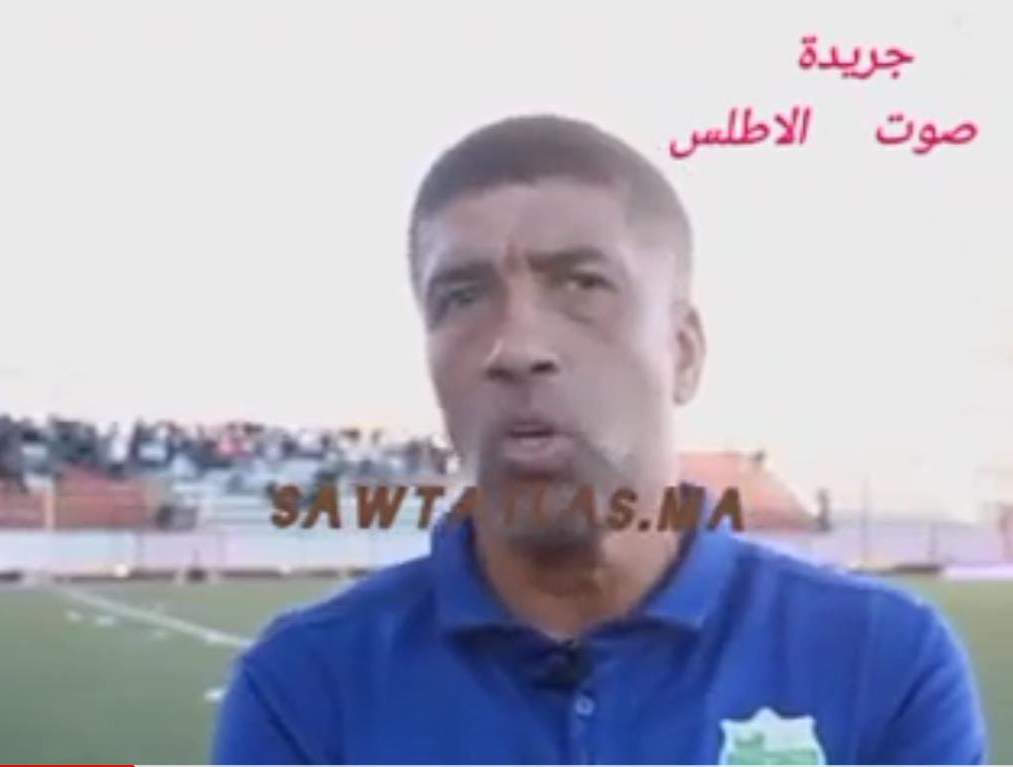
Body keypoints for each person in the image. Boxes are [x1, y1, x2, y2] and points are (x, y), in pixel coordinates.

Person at [212, 115, 987, 764]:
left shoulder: (881, 661)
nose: (515, 346)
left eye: (582, 284)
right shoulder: (304, 686)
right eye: (462, 296)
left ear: (683, 351)